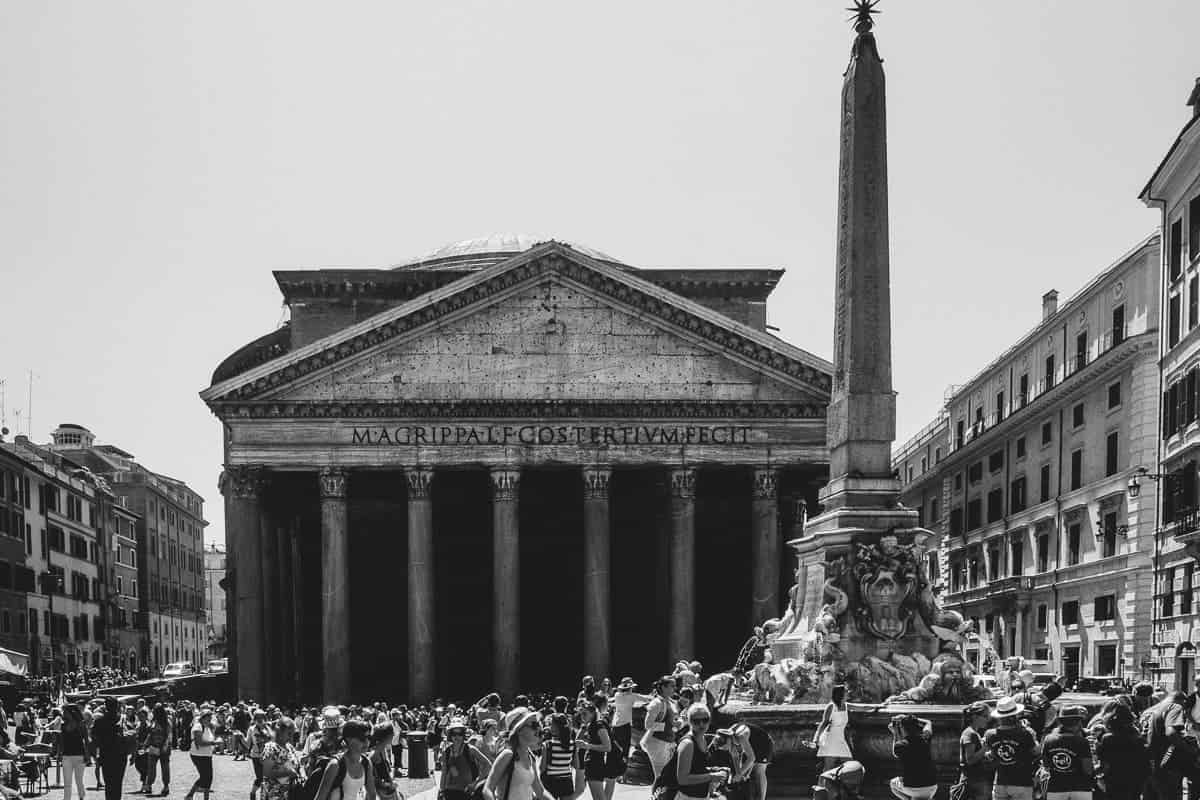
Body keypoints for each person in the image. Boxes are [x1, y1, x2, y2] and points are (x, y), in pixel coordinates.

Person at [653, 704, 729, 799]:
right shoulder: (688, 744)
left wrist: (714, 770)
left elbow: (696, 767)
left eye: (705, 720)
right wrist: (712, 776)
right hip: (684, 796)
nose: (701, 724)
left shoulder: (702, 739)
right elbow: (683, 779)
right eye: (696, 721)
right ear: (689, 722)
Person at [484, 711, 551, 800]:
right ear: (519, 729)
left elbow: (540, 791)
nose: (539, 729)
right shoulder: (508, 755)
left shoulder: (530, 756)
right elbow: (488, 789)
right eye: (534, 725)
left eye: (539, 725)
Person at [983, 696, 1040, 800]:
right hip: (1022, 782)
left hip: (1000, 782)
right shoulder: (1025, 734)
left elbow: (989, 755)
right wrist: (1033, 735)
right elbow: (1036, 752)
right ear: (1015, 715)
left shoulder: (990, 734)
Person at [1095, 704, 1148, 800]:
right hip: (1136, 780)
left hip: (1115, 780)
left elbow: (1104, 764)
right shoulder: (1138, 738)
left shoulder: (1108, 738)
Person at [315, 719, 376, 800]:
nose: (367, 742)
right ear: (348, 739)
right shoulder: (335, 765)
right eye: (362, 738)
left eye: (369, 737)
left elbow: (372, 795)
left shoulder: (366, 763)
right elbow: (320, 798)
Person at [1040, 705, 1092, 800]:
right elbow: (1088, 770)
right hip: (1081, 788)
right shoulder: (1082, 742)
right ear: (1078, 722)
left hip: (1056, 788)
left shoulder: (1048, 739)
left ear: (1060, 722)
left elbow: (1046, 764)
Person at [1145, 690, 1190, 800]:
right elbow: (1171, 733)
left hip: (1146, 763)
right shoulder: (1175, 707)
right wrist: (1188, 748)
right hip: (1165, 763)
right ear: (1182, 701)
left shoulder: (1149, 711)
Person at [438, 718, 490, 800]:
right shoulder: (447, 751)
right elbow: (444, 772)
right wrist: (441, 790)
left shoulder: (470, 749)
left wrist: (476, 782)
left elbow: (488, 765)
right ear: (450, 736)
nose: (457, 737)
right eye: (454, 734)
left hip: (467, 791)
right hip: (449, 791)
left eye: (460, 734)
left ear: (463, 735)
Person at [717, 723, 772, 800]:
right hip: (751, 743)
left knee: (759, 770)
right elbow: (735, 756)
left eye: (726, 746)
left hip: (763, 742)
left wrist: (740, 774)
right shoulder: (728, 737)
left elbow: (751, 758)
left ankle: (761, 798)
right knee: (746, 772)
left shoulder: (741, 736)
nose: (726, 749)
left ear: (728, 739)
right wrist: (738, 773)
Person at [888, 714, 937, 800]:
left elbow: (895, 753)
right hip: (932, 787)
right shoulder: (926, 738)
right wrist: (911, 719)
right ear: (917, 726)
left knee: (893, 783)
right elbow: (928, 722)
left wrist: (895, 732)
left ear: (903, 728)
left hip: (911, 788)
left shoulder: (900, 745)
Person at [576, 696, 616, 800]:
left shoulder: (598, 725)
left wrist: (587, 745)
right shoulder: (591, 725)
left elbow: (607, 747)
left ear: (593, 713)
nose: (582, 716)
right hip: (592, 764)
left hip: (596, 765)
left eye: (585, 714)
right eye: (581, 714)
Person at [639, 676, 677, 781]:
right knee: (660, 778)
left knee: (665, 777)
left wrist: (678, 723)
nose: (675, 688)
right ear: (664, 688)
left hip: (668, 743)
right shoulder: (656, 703)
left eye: (675, 686)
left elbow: (672, 721)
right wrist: (668, 726)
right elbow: (648, 725)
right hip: (657, 743)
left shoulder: (671, 702)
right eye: (672, 686)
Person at [90, 698, 127, 800]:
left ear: (105, 706)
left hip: (106, 755)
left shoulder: (99, 721)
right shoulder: (123, 718)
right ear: (117, 706)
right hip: (120, 754)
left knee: (109, 783)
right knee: (118, 783)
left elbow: (93, 737)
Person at [956, 702, 993, 800]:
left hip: (974, 779)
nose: (988, 720)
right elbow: (970, 759)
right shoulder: (970, 734)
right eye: (985, 716)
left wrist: (986, 754)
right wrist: (985, 748)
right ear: (975, 717)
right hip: (974, 780)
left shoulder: (972, 732)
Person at [609, 678, 649, 765]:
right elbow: (646, 699)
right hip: (624, 727)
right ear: (630, 688)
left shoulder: (617, 695)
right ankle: (622, 771)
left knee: (615, 749)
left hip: (615, 726)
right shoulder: (632, 696)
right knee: (625, 750)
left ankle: (615, 770)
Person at [259, 718, 300, 800]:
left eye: (292, 734)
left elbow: (297, 764)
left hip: (289, 793)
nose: (291, 737)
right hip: (274, 794)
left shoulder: (290, 747)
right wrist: (288, 773)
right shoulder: (270, 748)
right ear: (279, 731)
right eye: (288, 733)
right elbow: (267, 772)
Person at [814, 685, 853, 771]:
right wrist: (816, 738)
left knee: (850, 764)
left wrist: (879, 706)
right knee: (828, 767)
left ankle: (840, 783)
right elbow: (824, 723)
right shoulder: (831, 706)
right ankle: (822, 783)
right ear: (841, 694)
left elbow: (863, 707)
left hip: (841, 740)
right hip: (830, 740)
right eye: (846, 691)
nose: (848, 692)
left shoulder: (846, 705)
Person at [539, 713, 577, 800]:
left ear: (556, 727)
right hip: (567, 782)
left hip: (551, 782)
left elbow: (542, 768)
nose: (549, 727)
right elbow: (576, 765)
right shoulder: (572, 744)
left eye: (551, 724)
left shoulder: (548, 745)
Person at [57, 704, 91, 800]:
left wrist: (88, 755)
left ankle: (81, 797)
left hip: (80, 755)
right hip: (66, 756)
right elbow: (61, 741)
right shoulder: (63, 725)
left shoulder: (81, 725)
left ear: (71, 713)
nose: (63, 713)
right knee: (67, 782)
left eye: (65, 712)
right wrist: (59, 754)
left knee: (79, 780)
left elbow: (87, 741)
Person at [184, 707, 215, 800]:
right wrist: (214, 743)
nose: (210, 719)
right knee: (205, 777)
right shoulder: (197, 726)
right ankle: (190, 795)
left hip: (207, 755)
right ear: (202, 718)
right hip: (198, 755)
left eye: (210, 717)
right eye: (208, 717)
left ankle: (204, 797)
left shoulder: (207, 727)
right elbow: (200, 743)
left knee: (208, 777)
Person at [369, 723, 401, 800]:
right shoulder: (375, 753)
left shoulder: (382, 750)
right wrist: (384, 784)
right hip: (383, 794)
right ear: (388, 736)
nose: (394, 735)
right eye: (392, 733)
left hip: (388, 791)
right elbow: (369, 777)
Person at [249, 710, 272, 800]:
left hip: (268, 756)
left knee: (267, 778)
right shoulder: (251, 729)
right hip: (256, 756)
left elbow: (272, 739)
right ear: (254, 719)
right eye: (257, 718)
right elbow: (248, 743)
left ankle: (264, 797)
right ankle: (253, 793)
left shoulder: (268, 727)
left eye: (261, 717)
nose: (259, 720)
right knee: (260, 778)